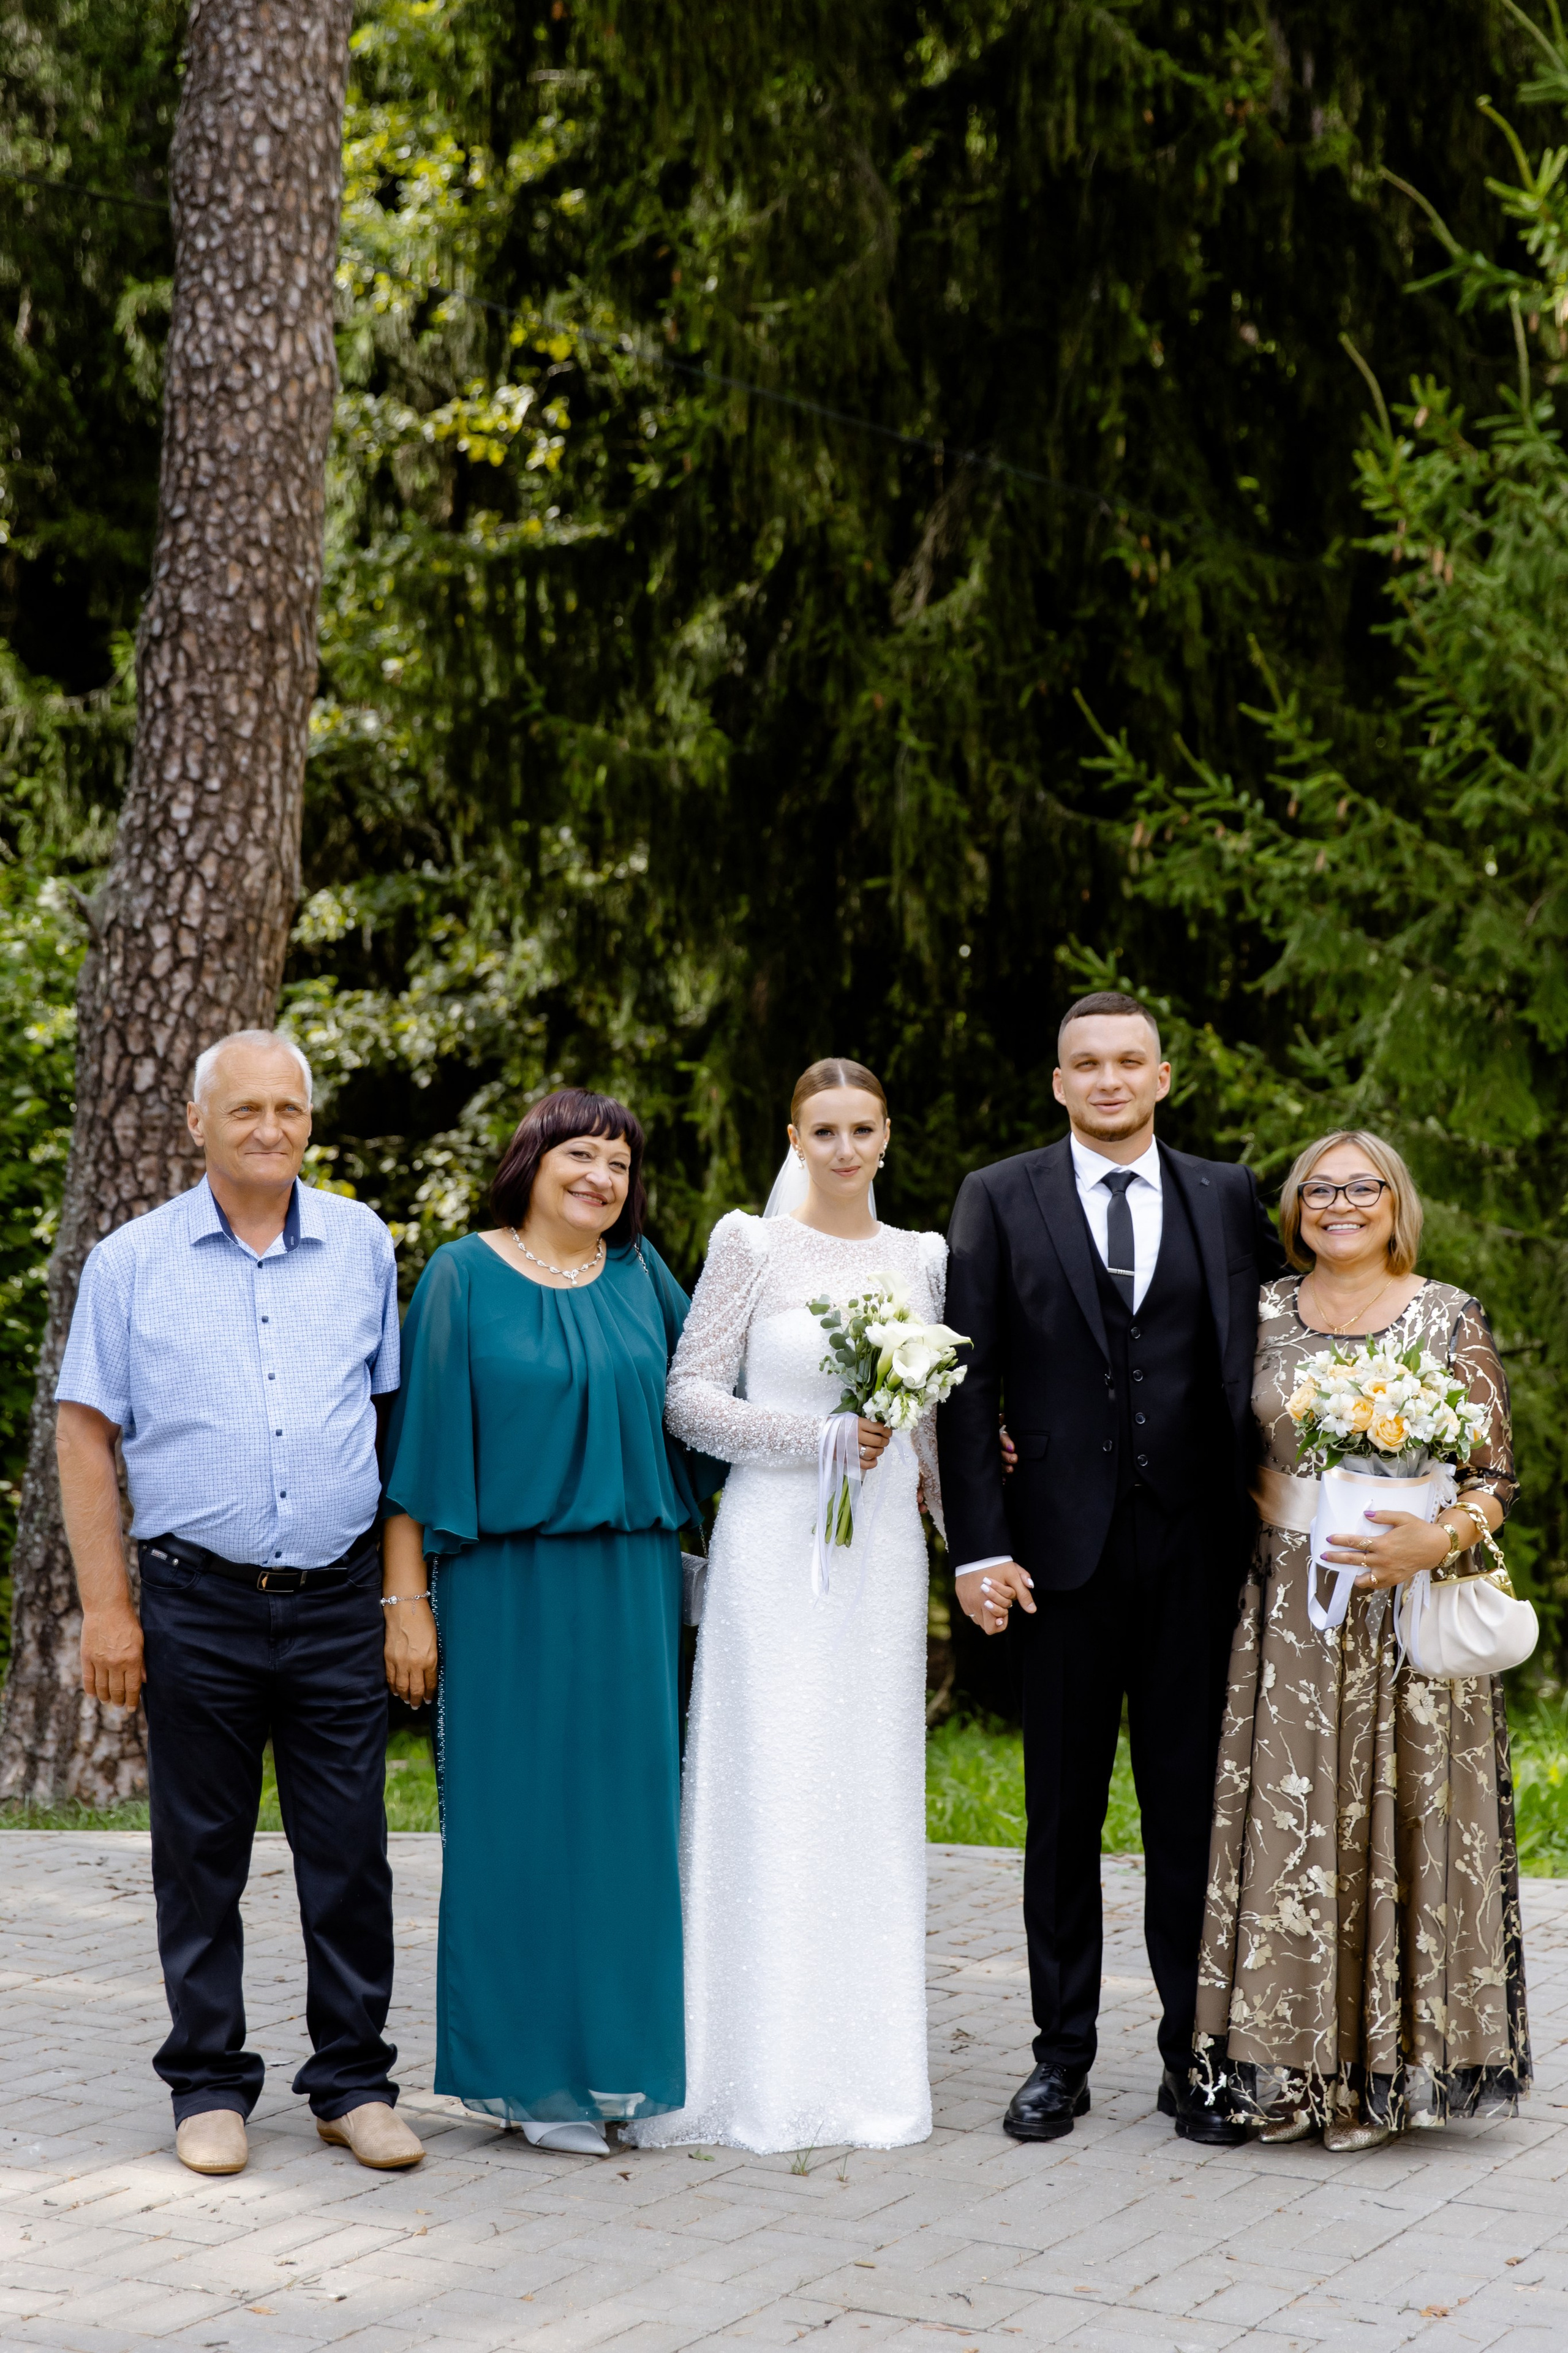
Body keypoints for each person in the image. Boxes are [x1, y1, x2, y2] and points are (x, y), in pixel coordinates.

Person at [56, 1029, 423, 2178]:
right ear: (197, 1123)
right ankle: (208, 2084)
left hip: (335, 1600)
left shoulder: (363, 1241)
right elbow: (83, 1433)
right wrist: (107, 1609)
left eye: (291, 1109)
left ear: (310, 1122)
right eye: (246, 1109)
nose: (271, 1128)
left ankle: (352, 2082)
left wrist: (403, 1596)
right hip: (193, 1602)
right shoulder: (130, 1261)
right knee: (200, 1853)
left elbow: (392, 1425)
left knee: (351, 1854)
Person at [938, 991, 1286, 2146]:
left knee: (1189, 1813)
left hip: (1197, 1549)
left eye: (1128, 1061)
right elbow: (966, 1380)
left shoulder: (1227, 1194)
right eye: (1085, 1063)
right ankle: (1060, 2056)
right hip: (1058, 1555)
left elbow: (1275, 1342)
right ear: (1058, 1082)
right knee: (1062, 1812)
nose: (1108, 1079)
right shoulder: (999, 1195)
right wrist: (981, 1541)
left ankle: (1196, 2057)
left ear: (1163, 1076)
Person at [380, 1088, 713, 2157]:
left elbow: (709, 1411)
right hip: (503, 1589)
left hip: (631, 1589)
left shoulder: (641, 1275)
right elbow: (418, 1465)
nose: (602, 1178)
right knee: (515, 1827)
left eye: (620, 1163)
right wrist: (409, 1606)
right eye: (582, 1153)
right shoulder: (460, 1276)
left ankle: (618, 2068)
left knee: (623, 1832)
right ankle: (531, 2079)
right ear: (531, 1158)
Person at [628, 1057, 944, 2155]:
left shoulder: (923, 1257)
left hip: (880, 1557)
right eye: (825, 1129)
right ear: (796, 1136)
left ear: (889, 1135)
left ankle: (864, 2066)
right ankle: (742, 2065)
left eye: (864, 1128)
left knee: (865, 1780)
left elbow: (932, 1429)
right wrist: (807, 1439)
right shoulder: (747, 1245)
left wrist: (971, 1540)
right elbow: (689, 1399)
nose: (846, 1148)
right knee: (771, 1774)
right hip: (773, 1542)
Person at [1195, 1130, 1530, 2148]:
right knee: (1296, 1836)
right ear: (1293, 1209)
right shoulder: (1255, 1314)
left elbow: (1495, 1476)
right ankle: (1292, 2075)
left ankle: (1380, 2079)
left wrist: (1437, 1536)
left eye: (1361, 1187)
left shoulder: (1447, 1313)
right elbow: (1202, 1432)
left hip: (1406, 1606)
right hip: (1289, 1609)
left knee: (1402, 1826)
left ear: (1396, 1201)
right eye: (1318, 1189)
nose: (1340, 1204)